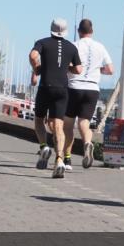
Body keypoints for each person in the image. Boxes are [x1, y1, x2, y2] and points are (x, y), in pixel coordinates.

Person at [29, 18, 82, 178]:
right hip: (62, 90)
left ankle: (44, 146)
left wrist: (36, 68)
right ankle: (59, 160)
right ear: (65, 31)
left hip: (46, 87)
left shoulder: (42, 42)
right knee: (58, 127)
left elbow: (33, 55)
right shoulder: (71, 47)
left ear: (51, 29)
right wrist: (66, 67)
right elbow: (79, 69)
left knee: (39, 120)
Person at [63, 19, 113, 170]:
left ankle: (67, 159)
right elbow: (110, 70)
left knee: (68, 125)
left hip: (74, 87)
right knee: (84, 122)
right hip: (92, 89)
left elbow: (67, 66)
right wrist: (98, 70)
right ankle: (87, 143)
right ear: (92, 31)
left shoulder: (74, 45)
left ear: (79, 31)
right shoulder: (100, 47)